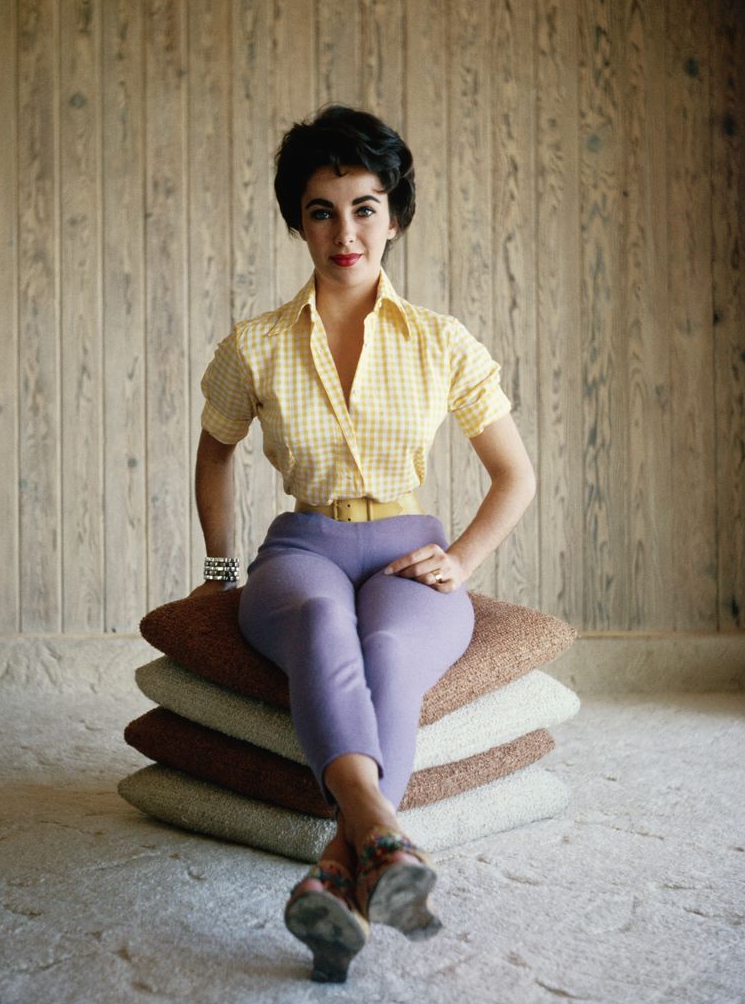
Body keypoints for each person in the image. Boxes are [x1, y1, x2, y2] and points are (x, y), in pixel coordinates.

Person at [190, 105, 535, 983]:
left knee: (388, 649)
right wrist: (219, 571)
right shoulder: (255, 345)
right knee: (318, 623)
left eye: (364, 208)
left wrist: (461, 559)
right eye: (321, 211)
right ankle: (381, 837)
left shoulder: (441, 341)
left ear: (395, 216)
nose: (344, 233)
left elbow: (515, 475)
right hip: (300, 549)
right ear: (298, 221)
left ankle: (341, 874)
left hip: (407, 548)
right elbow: (214, 453)